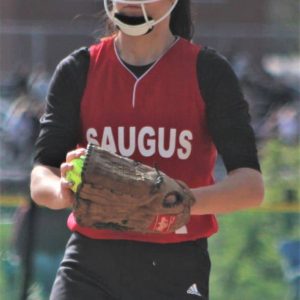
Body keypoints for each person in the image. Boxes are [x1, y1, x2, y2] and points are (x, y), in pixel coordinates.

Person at [30, 1, 264, 299]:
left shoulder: (207, 71)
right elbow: (41, 175)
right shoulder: (79, 70)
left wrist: (178, 203)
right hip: (89, 263)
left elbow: (250, 186)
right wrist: (63, 190)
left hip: (176, 264)